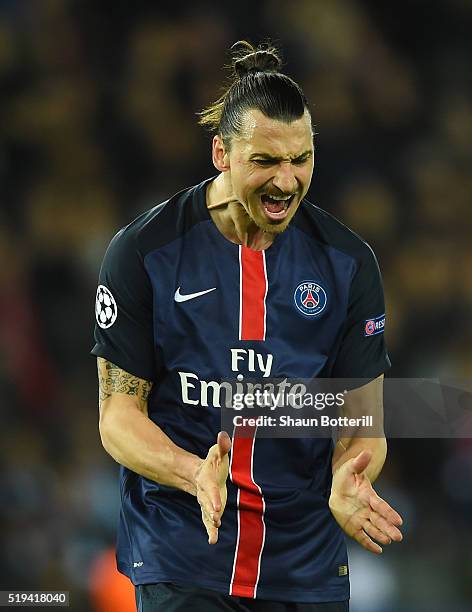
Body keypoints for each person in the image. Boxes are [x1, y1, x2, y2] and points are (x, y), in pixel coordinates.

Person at [92, 41, 403, 612]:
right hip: (181, 548)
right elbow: (118, 418)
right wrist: (192, 473)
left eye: (301, 159)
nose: (287, 181)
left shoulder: (349, 265)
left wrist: (347, 476)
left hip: (304, 561)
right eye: (265, 161)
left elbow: (364, 420)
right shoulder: (145, 253)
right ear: (221, 154)